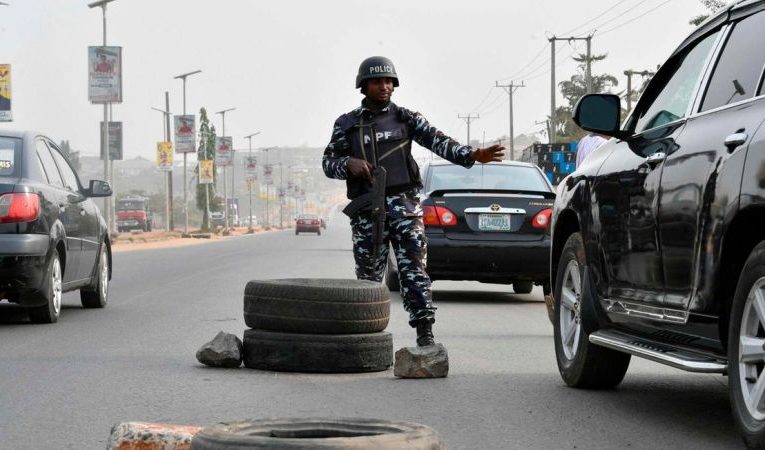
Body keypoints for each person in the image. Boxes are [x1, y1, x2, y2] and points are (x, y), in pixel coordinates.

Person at [322, 56, 504, 347]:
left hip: (404, 206)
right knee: (368, 277)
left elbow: (438, 141)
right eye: (377, 82)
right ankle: (367, 336)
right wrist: (348, 164)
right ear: (363, 86)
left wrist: (471, 155)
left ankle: (424, 331)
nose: (384, 87)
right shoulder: (347, 124)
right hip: (368, 209)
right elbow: (328, 163)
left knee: (414, 272)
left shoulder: (407, 119)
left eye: (388, 81)